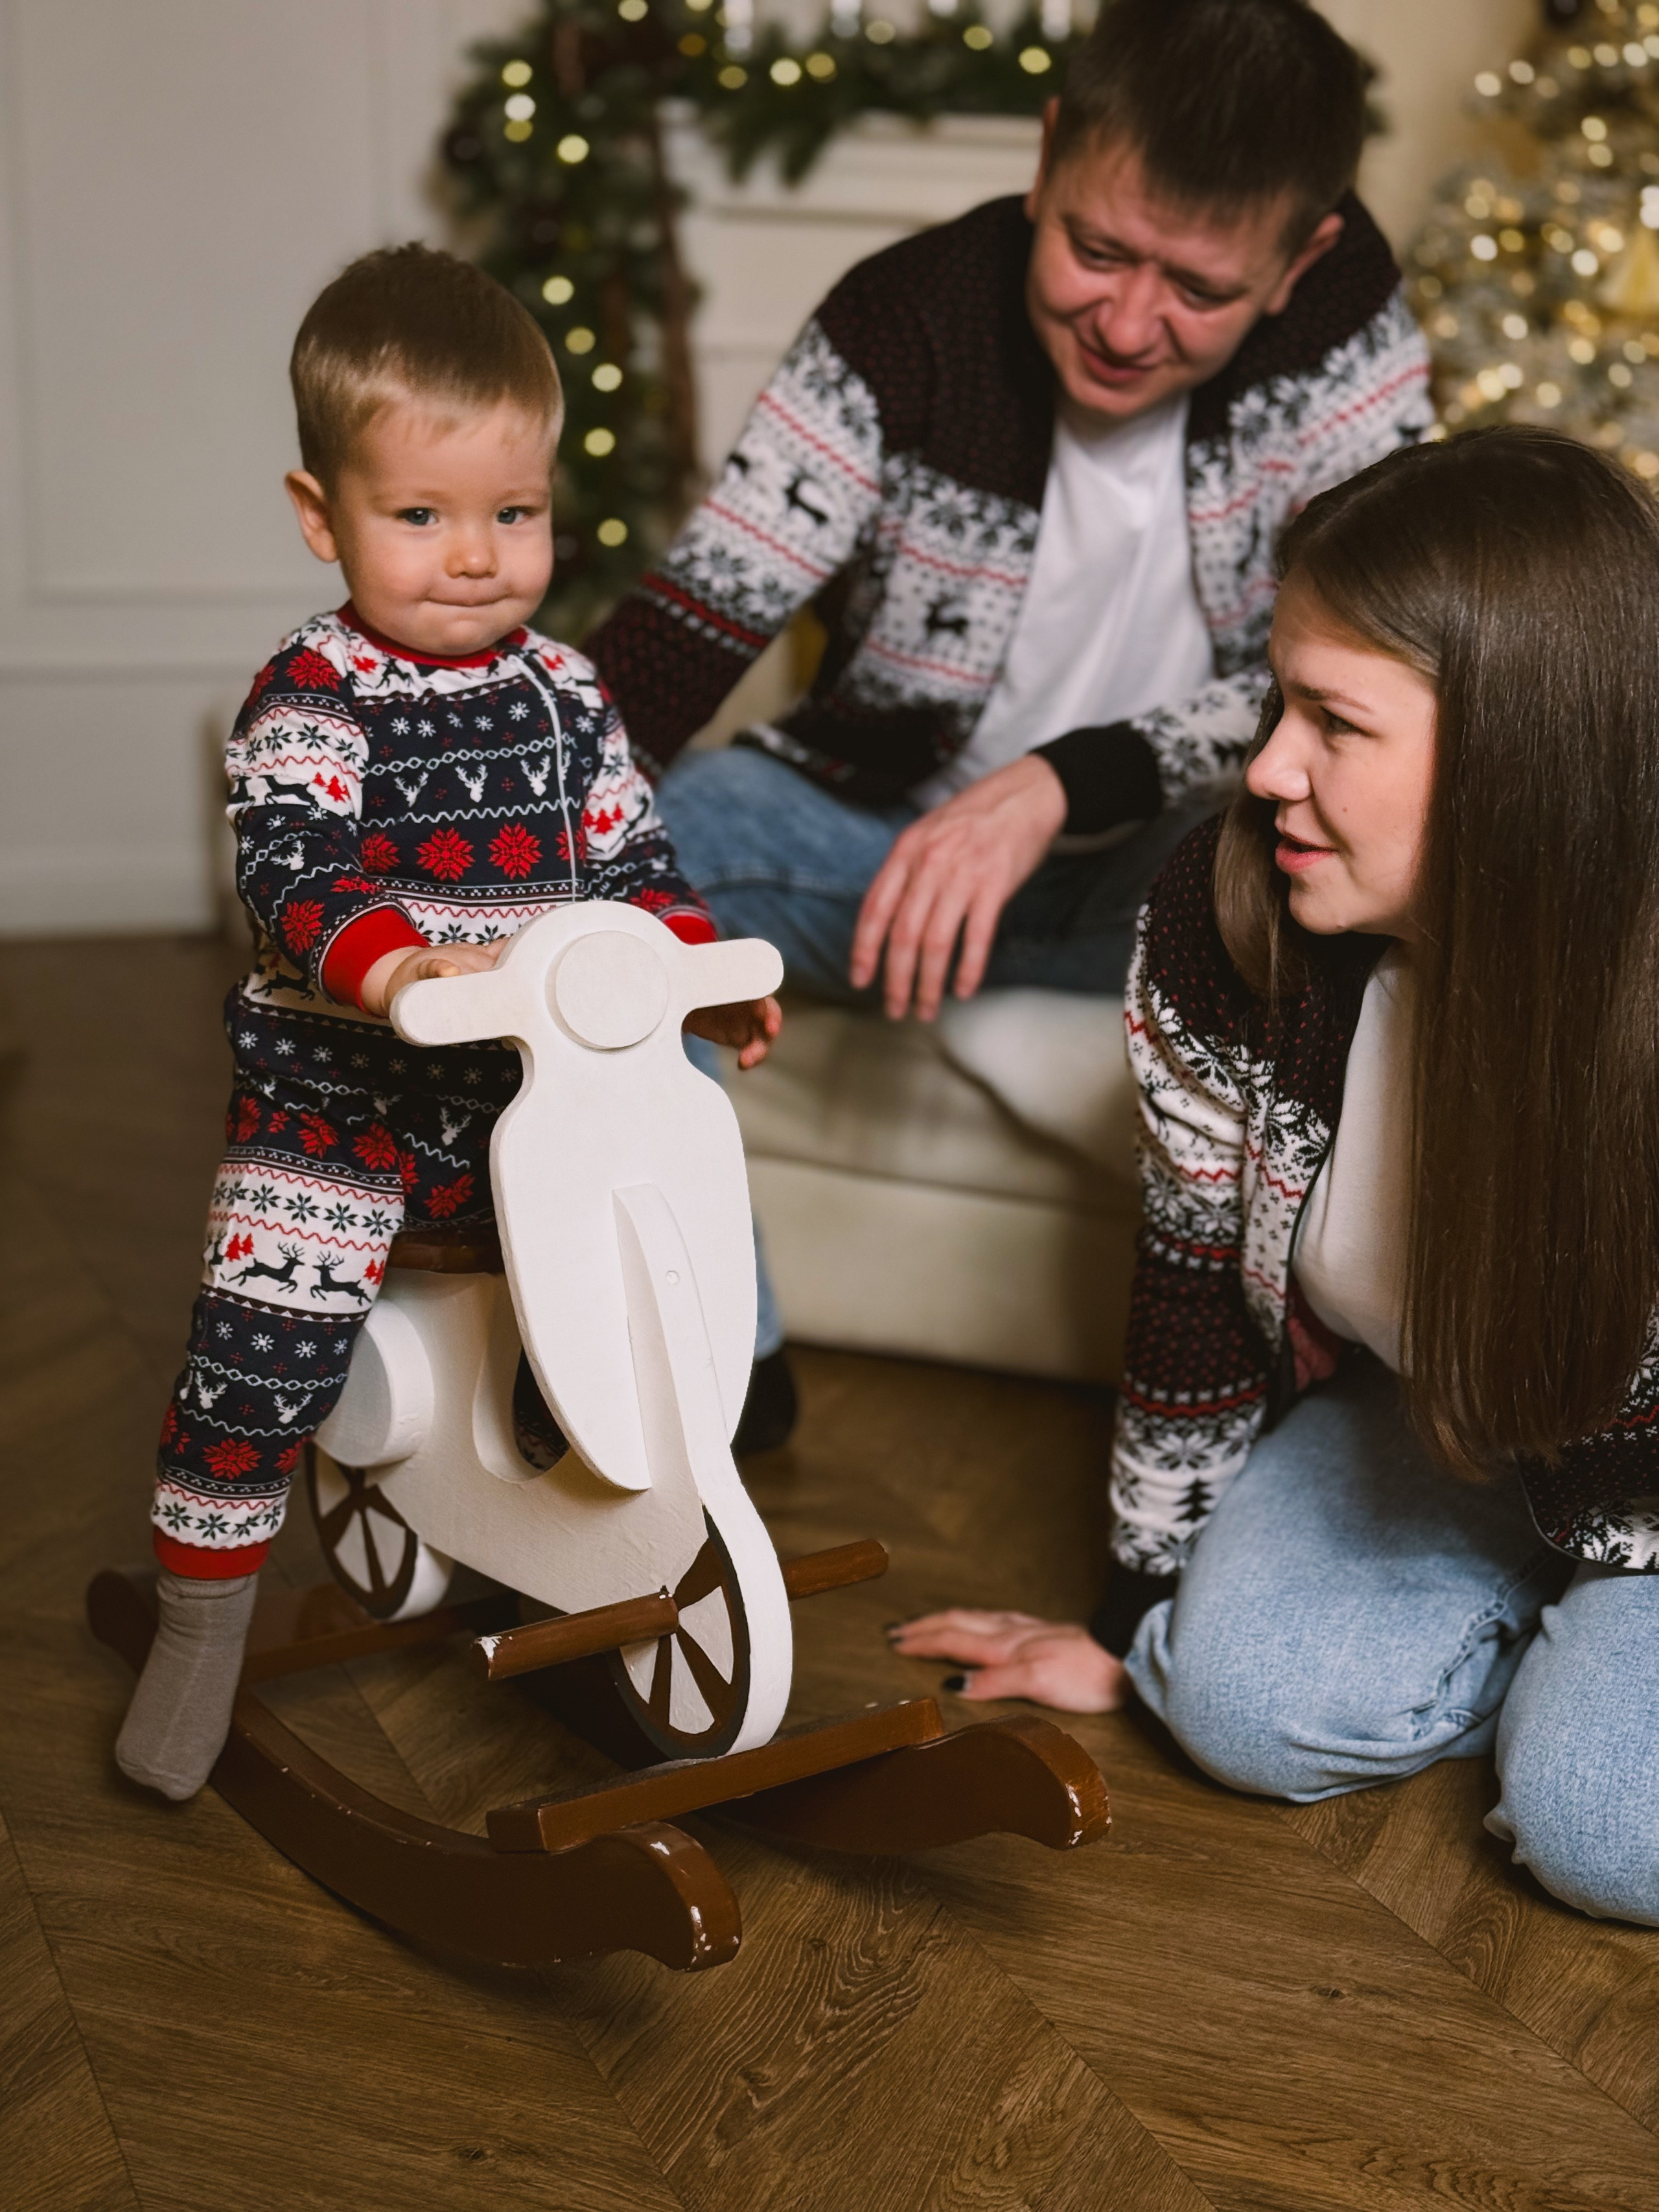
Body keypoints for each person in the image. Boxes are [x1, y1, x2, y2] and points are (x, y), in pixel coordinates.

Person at [586, 0, 1432, 1434]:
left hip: (1186, 862)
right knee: (628, 871)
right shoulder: (899, 315)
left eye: (1196, 289)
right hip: (879, 830)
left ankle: (1290, 1388)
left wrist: (1060, 779)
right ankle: (721, 1355)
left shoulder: (1348, 336)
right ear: (1046, 159)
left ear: (1302, 261)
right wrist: (496, 827)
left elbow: (1381, 670)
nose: (1124, 319)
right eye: (1093, 249)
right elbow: (693, 621)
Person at [893, 426, 1659, 1926]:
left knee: (1602, 1833)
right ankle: (1523, 1634)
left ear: (1521, 746)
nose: (1266, 768)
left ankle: (1568, 1666)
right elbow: (1185, 1274)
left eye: (1333, 721)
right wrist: (1131, 1617)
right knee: (1225, 1708)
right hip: (1429, 1413)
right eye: (1275, 699)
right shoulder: (1225, 915)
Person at [115, 246, 780, 1802]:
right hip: (334, 1104)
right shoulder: (311, 696)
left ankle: (578, 1517)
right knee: (260, 1343)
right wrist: (394, 966)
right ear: (321, 514)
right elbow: (293, 872)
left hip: (526, 1107)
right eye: (420, 516)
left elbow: (630, 868)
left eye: (514, 513)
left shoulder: (567, 694)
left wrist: (702, 972)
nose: (473, 556)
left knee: (611, 1291)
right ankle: (196, 1624)